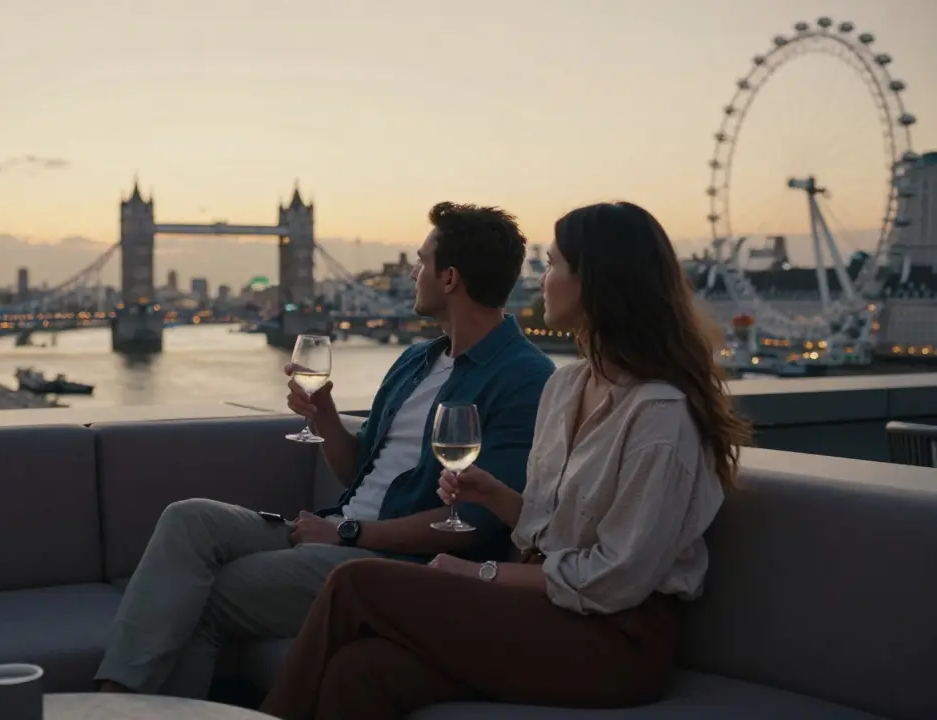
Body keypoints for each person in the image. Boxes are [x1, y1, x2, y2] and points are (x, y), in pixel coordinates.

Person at [260, 201, 754, 720]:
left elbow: (614, 580)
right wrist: (496, 496)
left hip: (616, 641)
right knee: (360, 672)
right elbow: (554, 530)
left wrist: (482, 574)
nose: (541, 277)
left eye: (554, 264)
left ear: (599, 282)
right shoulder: (567, 385)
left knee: (354, 583)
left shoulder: (661, 417)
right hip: (545, 611)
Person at [93, 202, 556, 698]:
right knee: (189, 519)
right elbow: (360, 471)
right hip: (343, 530)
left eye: (420, 262)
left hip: (395, 565)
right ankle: (111, 701)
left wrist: (346, 534)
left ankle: (117, 707)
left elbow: (472, 524)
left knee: (197, 594)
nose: (414, 272)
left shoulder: (525, 379)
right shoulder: (417, 359)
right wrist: (327, 419)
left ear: (448, 279)